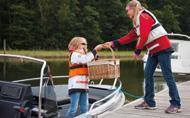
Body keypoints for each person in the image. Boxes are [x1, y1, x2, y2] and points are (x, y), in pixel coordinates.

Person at [104, 0, 181, 114]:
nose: (126, 13)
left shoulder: (144, 16)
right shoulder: (137, 21)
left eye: (127, 10)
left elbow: (144, 36)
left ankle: (176, 104)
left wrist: (137, 51)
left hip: (162, 48)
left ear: (133, 8)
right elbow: (131, 36)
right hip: (153, 50)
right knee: (147, 74)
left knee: (167, 76)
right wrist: (114, 43)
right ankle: (149, 102)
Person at [66, 37, 104, 117]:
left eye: (85, 44)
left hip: (84, 85)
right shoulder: (74, 54)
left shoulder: (84, 55)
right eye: (82, 43)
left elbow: (87, 61)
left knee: (85, 108)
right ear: (76, 44)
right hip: (75, 85)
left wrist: (95, 59)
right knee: (73, 109)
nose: (85, 45)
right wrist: (95, 50)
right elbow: (84, 59)